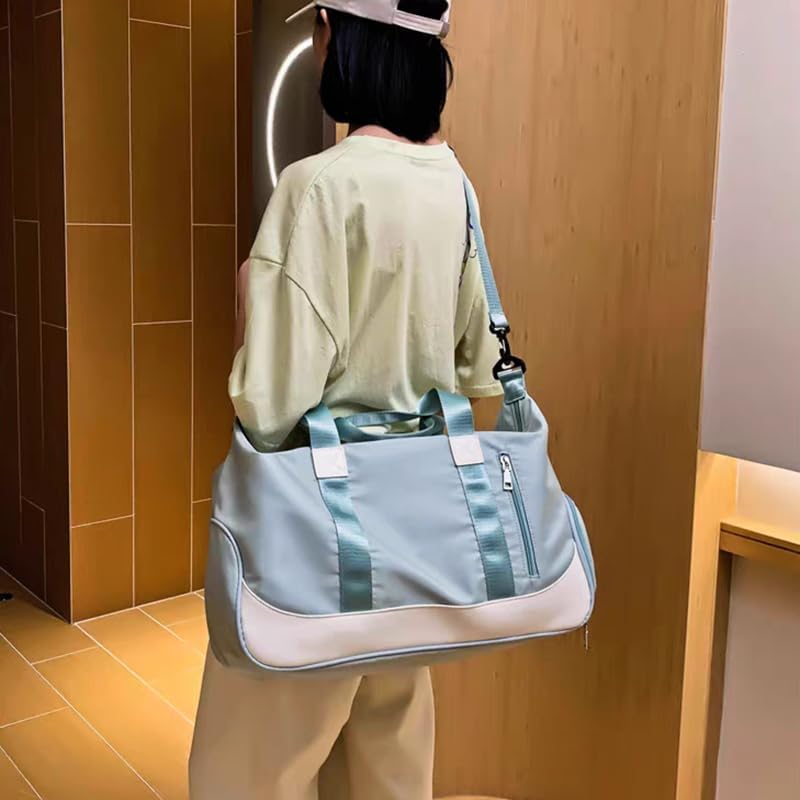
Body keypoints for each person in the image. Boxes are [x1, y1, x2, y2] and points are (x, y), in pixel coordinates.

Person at [189, 2, 503, 798]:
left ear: (340, 35)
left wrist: (250, 299)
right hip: (415, 538)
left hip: (315, 541)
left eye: (319, 28)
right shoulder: (454, 186)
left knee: (250, 772)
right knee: (386, 765)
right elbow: (477, 365)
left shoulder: (316, 188)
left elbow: (269, 404)